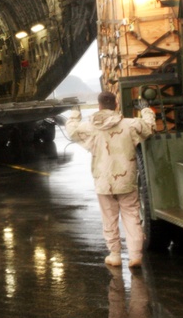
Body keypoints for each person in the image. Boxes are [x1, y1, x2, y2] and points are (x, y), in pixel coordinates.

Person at [67, 91, 156, 268]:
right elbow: (149, 127)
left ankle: (114, 255)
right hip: (126, 181)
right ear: (116, 105)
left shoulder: (90, 127)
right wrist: (146, 109)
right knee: (131, 216)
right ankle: (135, 255)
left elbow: (71, 131)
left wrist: (75, 113)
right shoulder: (129, 125)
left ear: (99, 106)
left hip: (103, 182)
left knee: (109, 218)